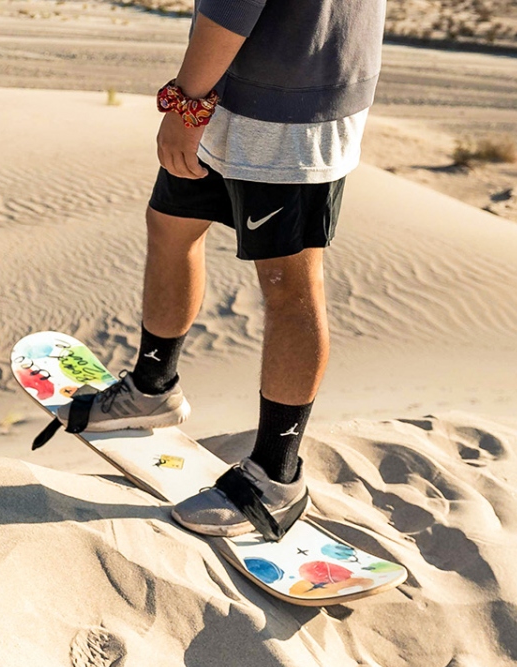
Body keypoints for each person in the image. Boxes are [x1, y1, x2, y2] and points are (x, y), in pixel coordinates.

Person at [56, 0, 386, 541]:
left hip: (290, 108)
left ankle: (276, 478)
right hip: (233, 89)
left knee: (288, 282)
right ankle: (153, 388)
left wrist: (185, 105)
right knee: (172, 224)